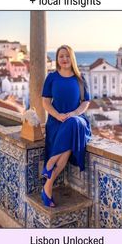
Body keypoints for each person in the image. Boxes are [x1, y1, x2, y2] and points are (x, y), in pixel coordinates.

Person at [41, 45, 91, 207]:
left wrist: (74, 113)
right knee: (66, 149)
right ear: (57, 59)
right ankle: (47, 187)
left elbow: (85, 103)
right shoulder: (51, 78)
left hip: (78, 120)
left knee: (73, 123)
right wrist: (58, 115)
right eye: (61, 56)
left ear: (72, 59)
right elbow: (46, 102)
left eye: (67, 56)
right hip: (56, 122)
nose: (64, 59)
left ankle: (49, 163)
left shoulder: (80, 78)